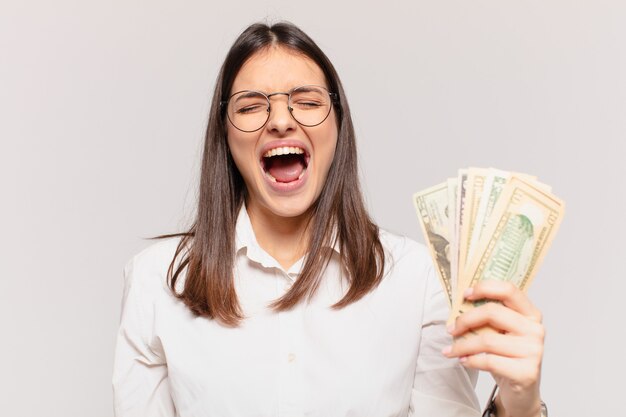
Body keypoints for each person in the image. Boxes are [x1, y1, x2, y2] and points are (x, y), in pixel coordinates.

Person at [112, 21, 546, 417]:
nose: (281, 120)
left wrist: (520, 405)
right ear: (224, 137)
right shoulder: (155, 283)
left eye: (307, 101)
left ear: (338, 127)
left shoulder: (418, 282)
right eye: (250, 107)